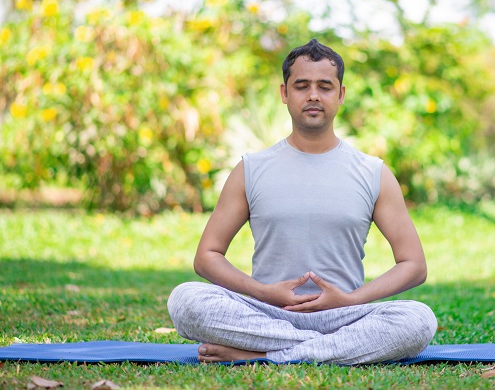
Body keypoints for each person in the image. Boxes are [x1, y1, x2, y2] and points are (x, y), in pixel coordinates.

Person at [167, 38, 437, 365]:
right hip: (267, 313)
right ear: (284, 94)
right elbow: (206, 257)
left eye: (325, 86)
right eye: (301, 86)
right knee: (185, 300)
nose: (313, 95)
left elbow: (414, 265)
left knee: (419, 319)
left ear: (341, 95)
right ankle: (327, 350)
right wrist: (264, 292)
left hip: (344, 315)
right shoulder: (251, 169)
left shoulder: (372, 172)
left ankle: (266, 355)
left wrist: (349, 300)